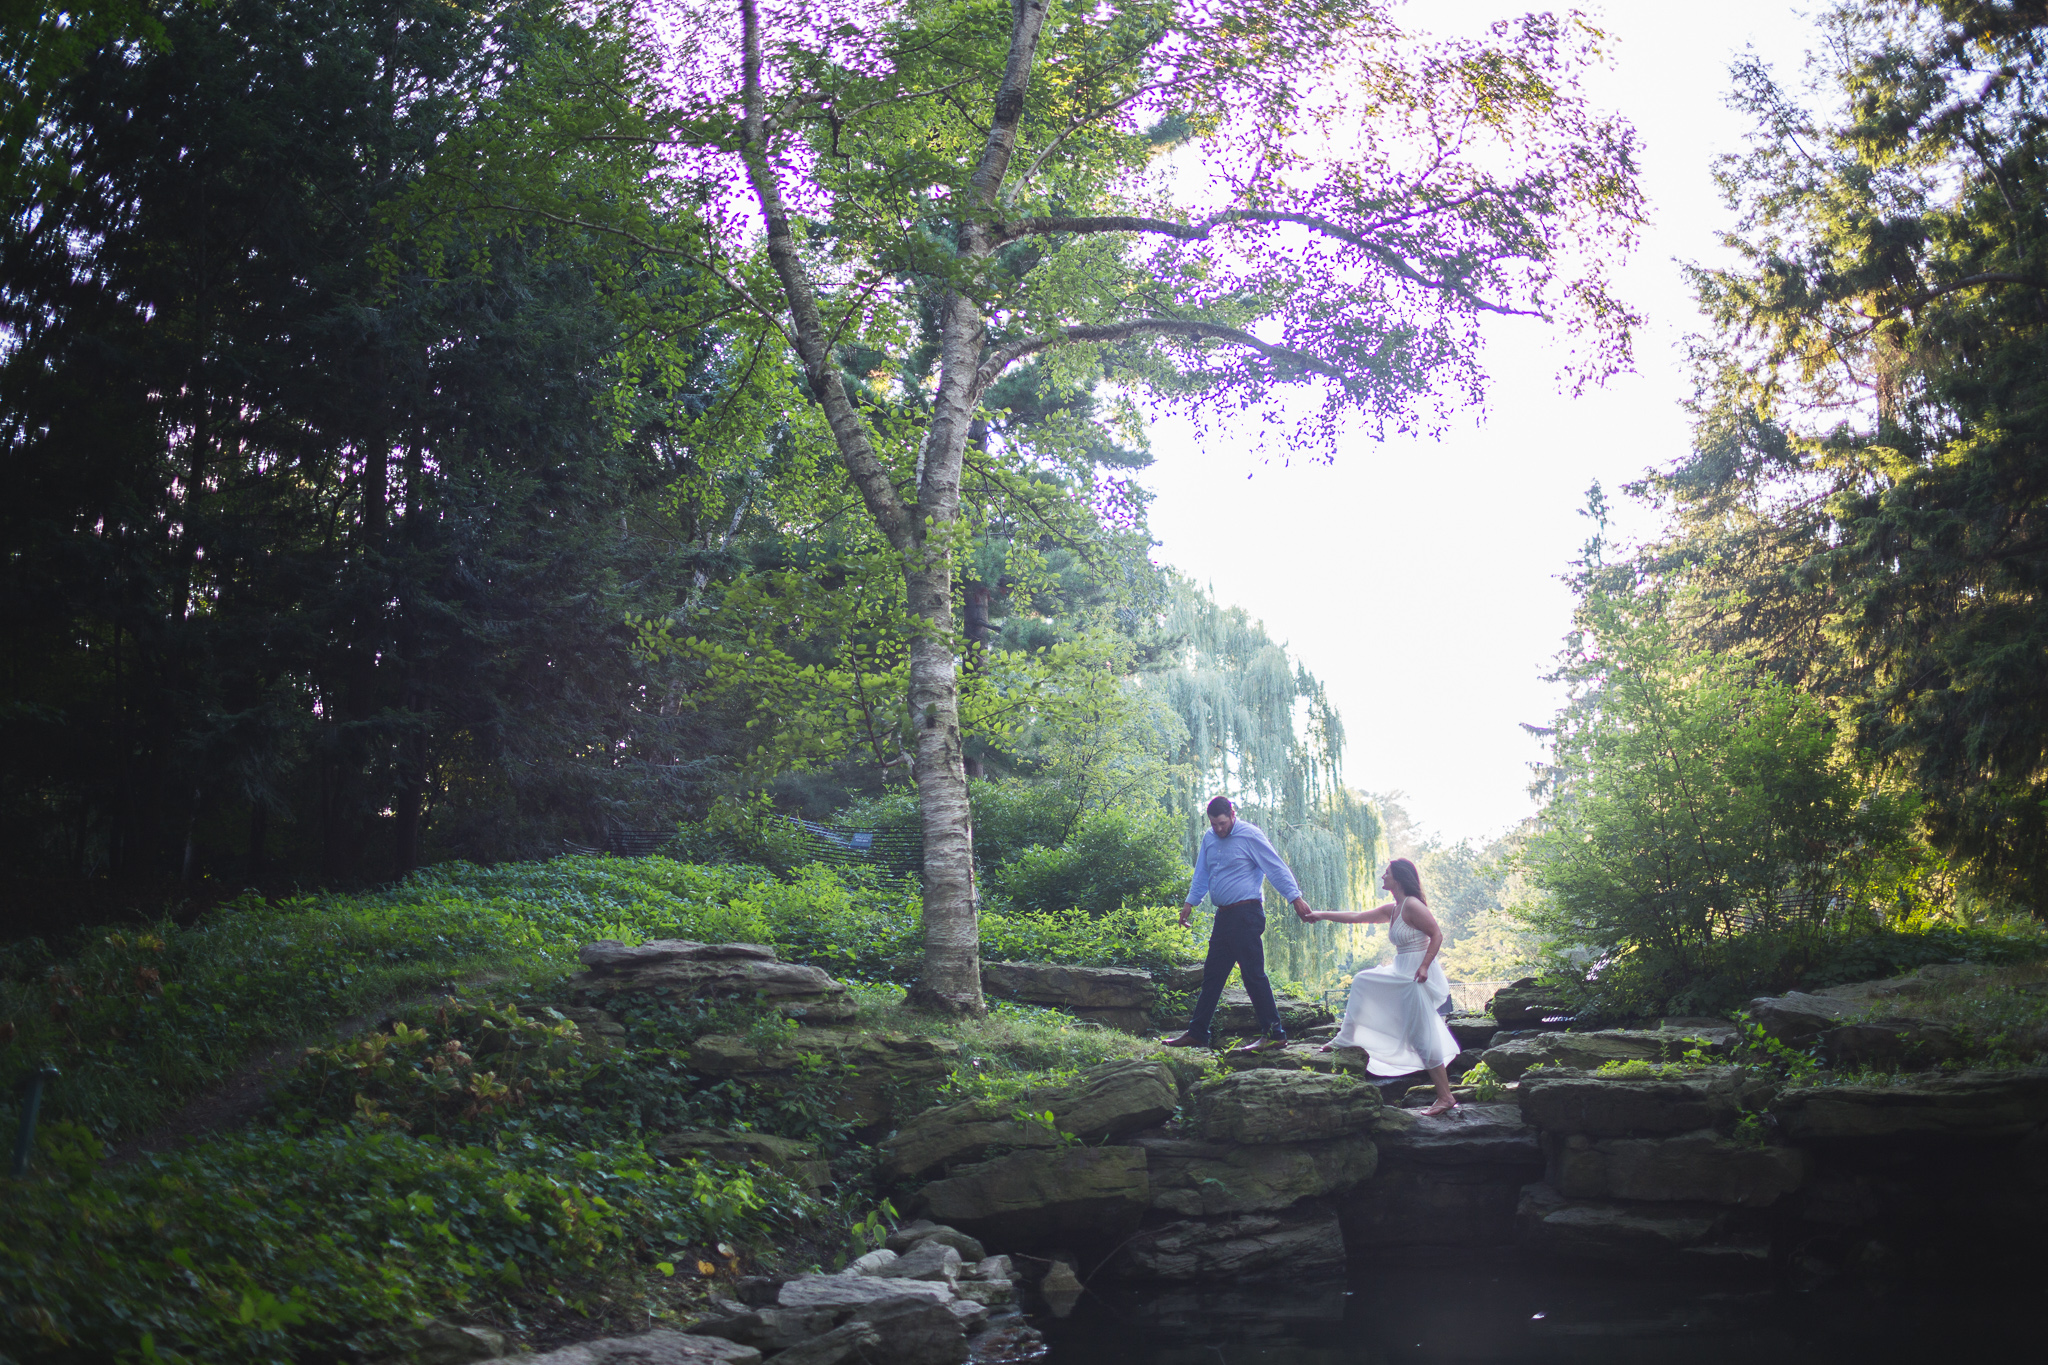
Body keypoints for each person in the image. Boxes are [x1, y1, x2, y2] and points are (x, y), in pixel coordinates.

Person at [1303, 858, 1461, 1115]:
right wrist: (1320, 915)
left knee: (1421, 1034)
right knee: (1364, 981)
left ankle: (1445, 1097)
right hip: (1402, 970)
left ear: (1397, 878)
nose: (1382, 877)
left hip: (1415, 975)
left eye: (1386, 873)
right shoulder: (1395, 908)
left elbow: (1437, 935)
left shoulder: (1412, 905)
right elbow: (1356, 916)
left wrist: (1423, 966)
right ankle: (1347, 1036)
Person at [1162, 796, 1316, 1053]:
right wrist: (1190, 903)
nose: (1219, 829)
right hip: (1224, 917)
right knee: (1212, 975)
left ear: (1232, 814)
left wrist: (1295, 898)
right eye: (1214, 824)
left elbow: (1275, 867)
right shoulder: (1209, 838)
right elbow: (1202, 873)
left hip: (1247, 914)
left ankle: (1274, 1034)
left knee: (1252, 974)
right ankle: (1198, 1033)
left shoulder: (1250, 835)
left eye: (1222, 823)